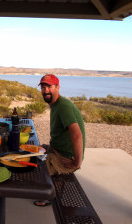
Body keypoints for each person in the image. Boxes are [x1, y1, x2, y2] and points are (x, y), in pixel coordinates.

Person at [34, 74, 85, 207]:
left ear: (58, 87)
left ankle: (50, 196)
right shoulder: (56, 104)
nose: (46, 91)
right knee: (33, 152)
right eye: (43, 87)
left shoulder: (63, 106)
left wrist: (77, 162)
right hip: (56, 149)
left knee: (38, 168)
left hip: (64, 158)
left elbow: (77, 135)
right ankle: (53, 186)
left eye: (49, 87)